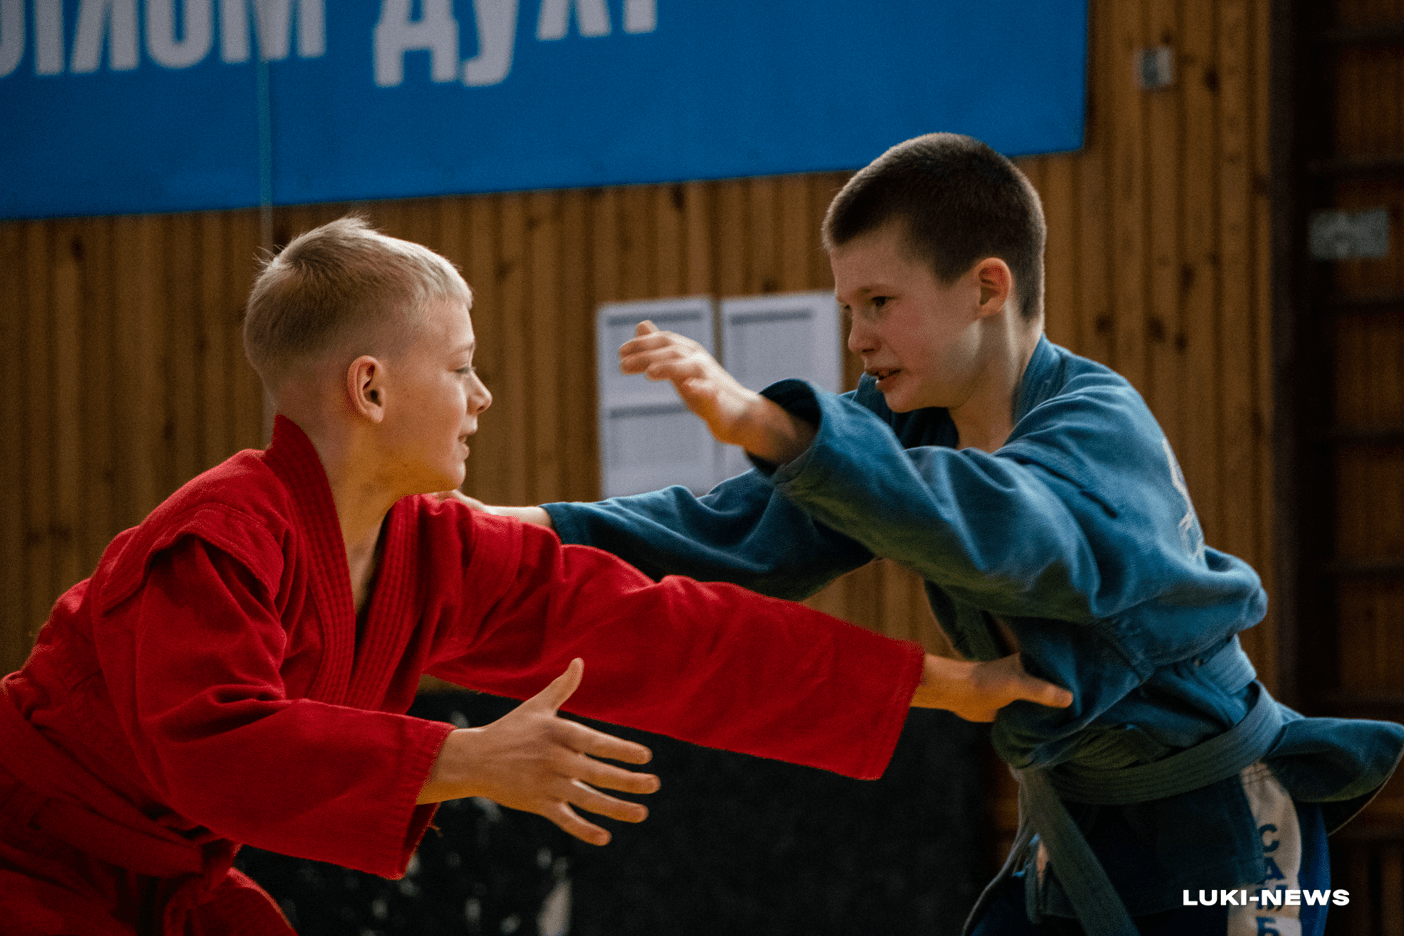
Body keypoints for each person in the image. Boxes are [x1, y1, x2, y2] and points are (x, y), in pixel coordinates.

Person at [0, 215, 1074, 936]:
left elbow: (672, 634)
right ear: (368, 388)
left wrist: (947, 686)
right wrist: (462, 757)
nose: (484, 397)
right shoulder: (219, 540)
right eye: (461, 366)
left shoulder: (441, 550)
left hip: (167, 889)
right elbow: (215, 751)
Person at [480, 134, 1404, 936]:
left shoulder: (1098, 424)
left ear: (986, 289)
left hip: (1220, 830)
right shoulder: (905, 425)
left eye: (879, 304)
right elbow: (734, 534)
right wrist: (511, 533)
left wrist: (770, 426)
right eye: (847, 310)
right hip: (1076, 824)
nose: (857, 339)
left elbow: (1008, 531)